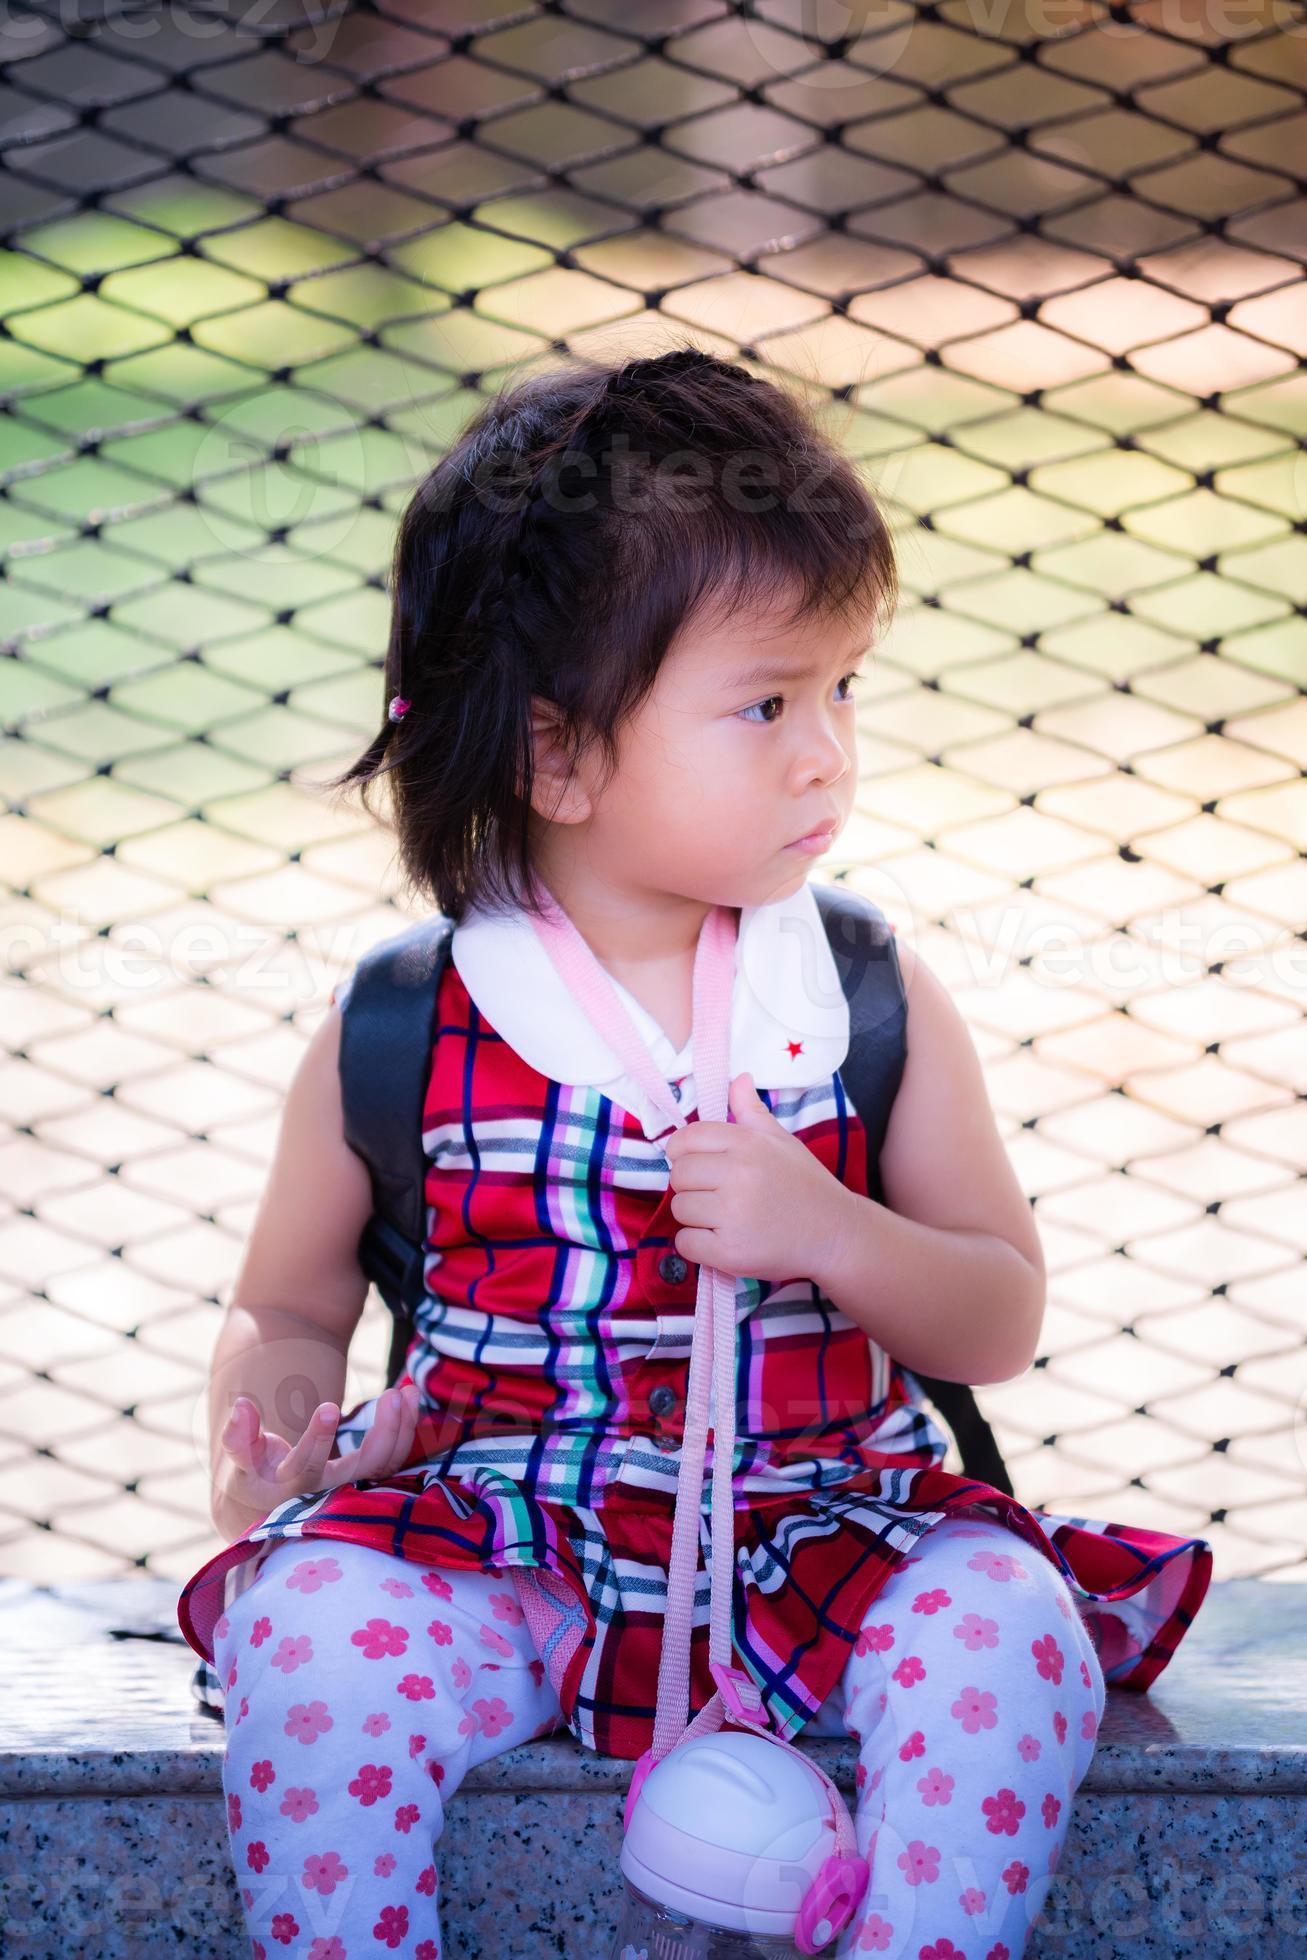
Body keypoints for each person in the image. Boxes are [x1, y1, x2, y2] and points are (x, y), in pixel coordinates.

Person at [176, 347, 1212, 1960]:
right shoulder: (411, 1018)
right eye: (766, 703)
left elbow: (997, 1313)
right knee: (305, 1639)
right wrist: (279, 1425)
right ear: (556, 756)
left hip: (829, 1528)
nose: (827, 753)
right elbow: (289, 1305)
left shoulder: (859, 994)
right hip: (503, 1528)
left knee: (1013, 1638)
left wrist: (835, 1232)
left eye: (843, 689)